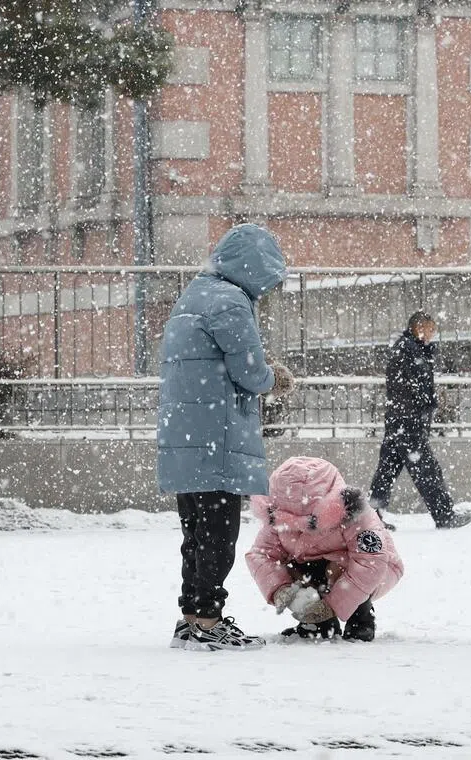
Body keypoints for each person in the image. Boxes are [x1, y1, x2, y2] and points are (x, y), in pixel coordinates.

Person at [158, 223, 293, 652]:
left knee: (195, 533)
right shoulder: (231, 302)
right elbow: (250, 372)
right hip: (217, 435)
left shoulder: (193, 295)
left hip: (187, 435)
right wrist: (277, 379)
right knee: (219, 534)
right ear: (253, 267)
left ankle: (191, 617)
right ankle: (209, 621)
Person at [246, 456, 403, 641]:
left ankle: (361, 617)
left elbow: (371, 560)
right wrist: (281, 589)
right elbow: (262, 554)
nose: (296, 524)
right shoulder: (277, 516)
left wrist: (333, 606)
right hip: (313, 566)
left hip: (375, 568)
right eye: (289, 516)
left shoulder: (355, 514)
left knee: (339, 568)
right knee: (292, 571)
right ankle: (317, 623)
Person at [369, 311, 471, 529]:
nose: (433, 334)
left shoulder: (409, 349)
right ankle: (444, 515)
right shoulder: (409, 350)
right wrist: (426, 406)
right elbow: (414, 387)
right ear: (418, 328)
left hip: (399, 420)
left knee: (387, 470)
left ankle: (370, 518)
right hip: (408, 422)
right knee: (426, 469)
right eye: (430, 329)